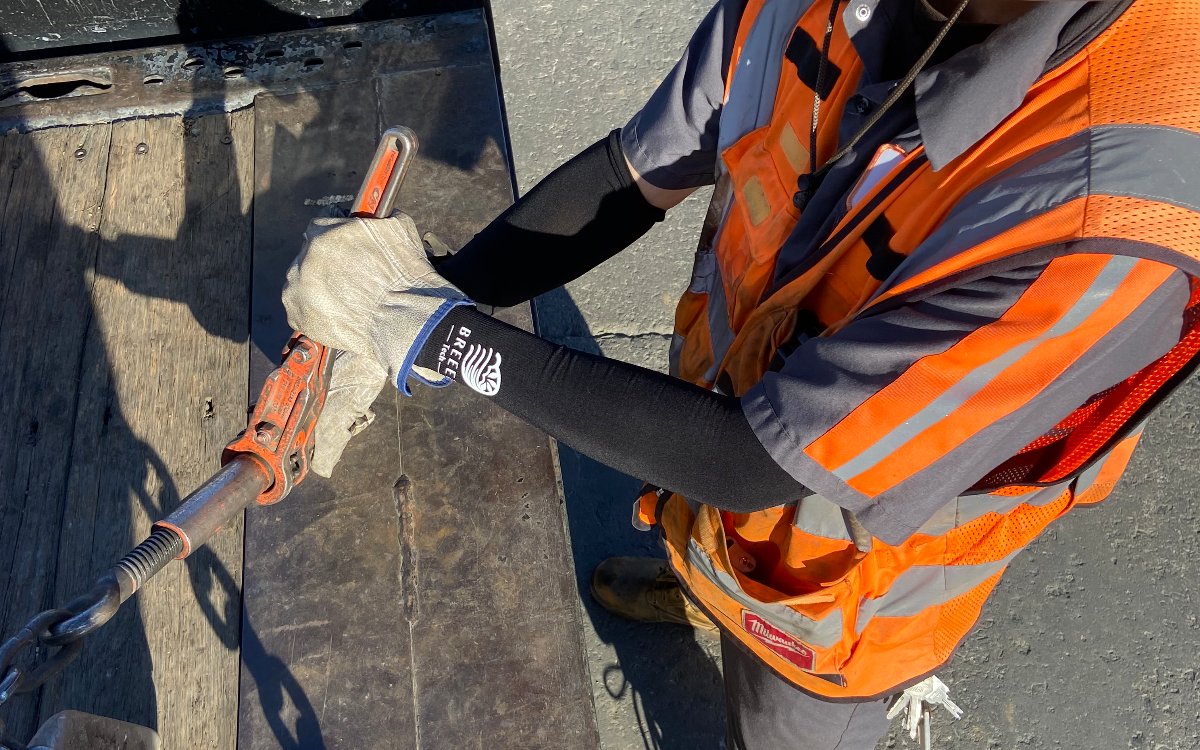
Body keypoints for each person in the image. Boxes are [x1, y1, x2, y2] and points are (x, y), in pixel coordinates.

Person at [281, 0, 1200, 745]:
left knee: (784, 720)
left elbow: (751, 462)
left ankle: (756, 652)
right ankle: (701, 587)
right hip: (716, 429)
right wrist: (435, 288)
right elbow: (632, 173)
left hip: (837, 584)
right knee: (698, 519)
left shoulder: (1106, 228)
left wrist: (435, 335)